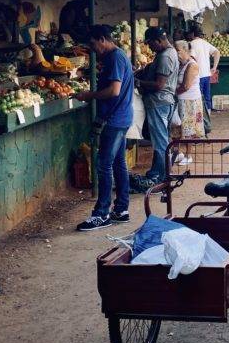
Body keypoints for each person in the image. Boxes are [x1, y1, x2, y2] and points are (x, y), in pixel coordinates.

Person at [75, 25, 135, 231]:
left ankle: (102, 213)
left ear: (102, 39)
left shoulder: (116, 57)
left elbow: (114, 90)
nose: (92, 49)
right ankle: (121, 209)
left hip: (115, 119)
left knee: (104, 165)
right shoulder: (113, 57)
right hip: (119, 117)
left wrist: (89, 95)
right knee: (118, 163)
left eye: (93, 44)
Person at [136, 26, 179, 186]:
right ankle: (157, 172)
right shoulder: (168, 53)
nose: (149, 47)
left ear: (158, 41)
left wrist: (140, 82)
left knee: (160, 142)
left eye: (150, 44)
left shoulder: (165, 57)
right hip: (163, 102)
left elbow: (159, 84)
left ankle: (162, 176)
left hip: (158, 102)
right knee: (160, 140)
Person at [173, 40, 206, 140]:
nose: (176, 53)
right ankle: (177, 153)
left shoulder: (192, 65)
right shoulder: (180, 64)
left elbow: (186, 86)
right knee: (178, 128)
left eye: (178, 51)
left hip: (189, 102)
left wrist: (172, 93)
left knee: (189, 131)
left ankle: (188, 154)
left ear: (185, 50)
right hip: (180, 100)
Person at [188, 26, 219, 125]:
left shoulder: (191, 44)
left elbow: (192, 58)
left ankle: (200, 120)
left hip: (197, 75)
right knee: (207, 97)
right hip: (206, 74)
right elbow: (217, 52)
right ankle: (207, 119)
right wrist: (214, 67)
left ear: (192, 34)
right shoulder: (205, 43)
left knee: (199, 98)